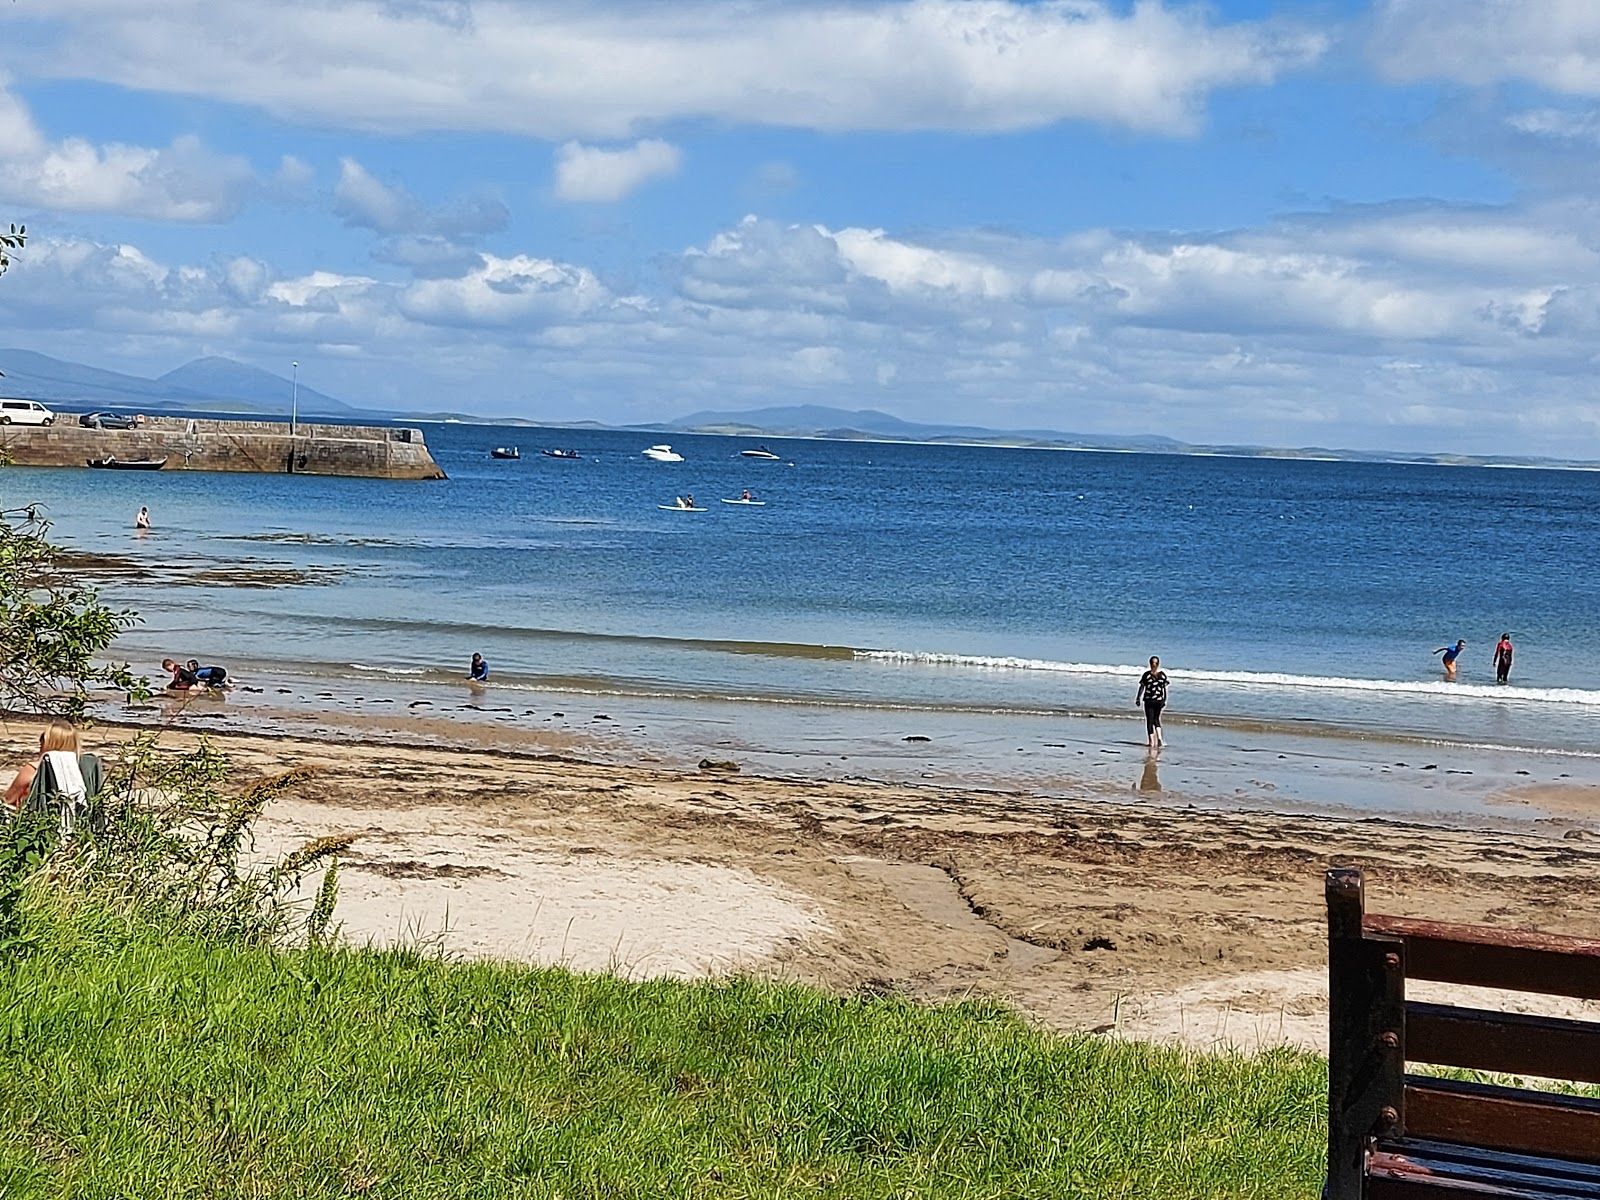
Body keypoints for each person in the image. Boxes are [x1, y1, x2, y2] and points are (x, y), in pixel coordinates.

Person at [5, 721, 103, 836]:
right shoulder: (84, 771)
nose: (40, 743)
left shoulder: (32, 770)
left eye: (43, 739)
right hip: (78, 832)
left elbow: (8, 800)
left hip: (35, 830)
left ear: (50, 743)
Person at [1135, 655, 1169, 750]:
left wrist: (1138, 698)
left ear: (1150, 664)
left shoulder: (1146, 675)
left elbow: (1142, 687)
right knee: (1156, 719)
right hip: (1159, 700)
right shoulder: (1162, 675)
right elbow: (1164, 689)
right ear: (1158, 664)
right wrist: (1164, 700)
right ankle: (1159, 738)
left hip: (1149, 700)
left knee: (1149, 721)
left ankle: (1151, 742)